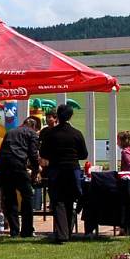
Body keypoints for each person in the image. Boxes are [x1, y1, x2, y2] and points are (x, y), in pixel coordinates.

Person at [39, 104, 88, 244]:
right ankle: (67, 231)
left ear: (57, 117)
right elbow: (84, 154)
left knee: (58, 201)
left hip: (56, 170)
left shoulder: (50, 134)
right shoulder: (76, 133)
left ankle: (62, 233)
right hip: (72, 169)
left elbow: (43, 153)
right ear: (70, 116)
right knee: (70, 200)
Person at [0, 116, 41, 237]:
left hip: (2, 165)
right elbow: (33, 154)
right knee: (28, 196)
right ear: (34, 127)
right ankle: (26, 230)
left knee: (10, 197)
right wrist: (36, 170)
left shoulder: (10, 132)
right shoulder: (32, 133)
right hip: (17, 165)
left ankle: (14, 230)